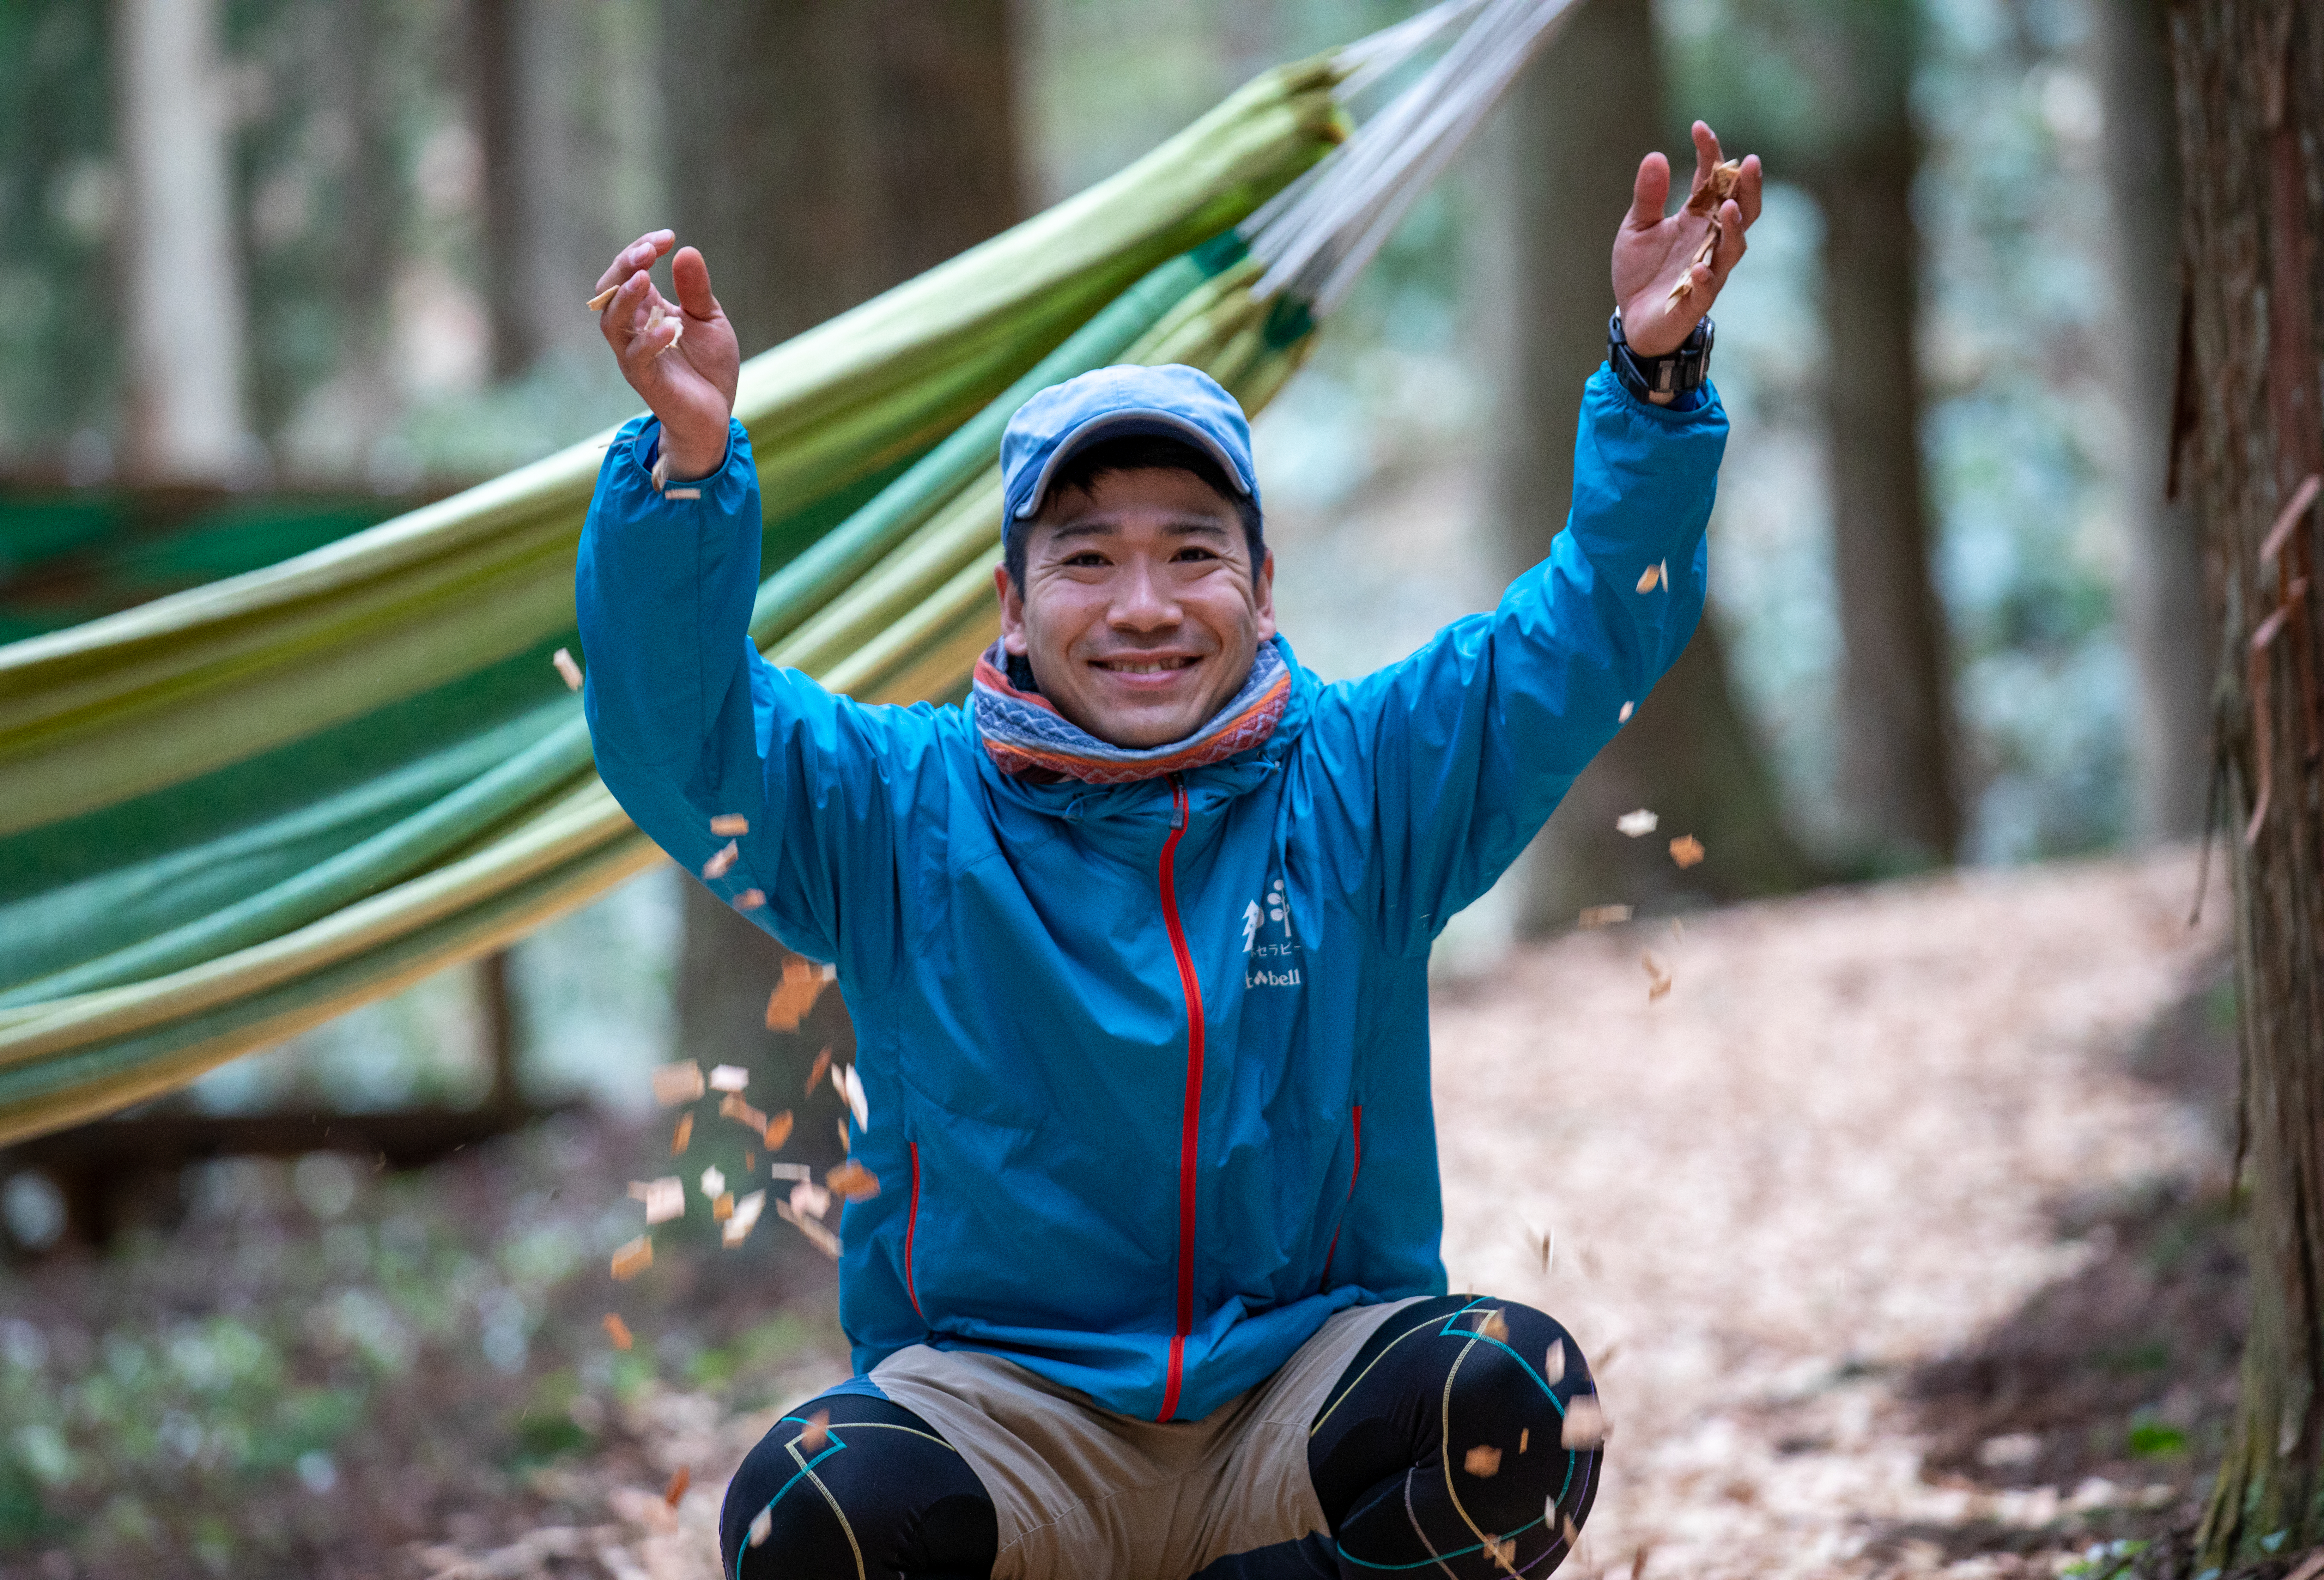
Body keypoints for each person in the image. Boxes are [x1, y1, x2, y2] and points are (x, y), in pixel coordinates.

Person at [576, 122, 1760, 1580]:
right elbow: (675, 736)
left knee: (1518, 1406)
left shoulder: (1369, 775)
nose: (1144, 603)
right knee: (808, 1511)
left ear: (1261, 585)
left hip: (1297, 1406)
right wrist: (686, 476)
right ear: (1012, 605)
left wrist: (1654, 384)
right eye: (1086, 557)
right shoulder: (894, 806)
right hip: (1005, 1421)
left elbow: (1592, 628)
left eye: (1192, 551)